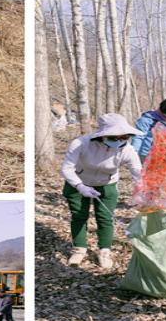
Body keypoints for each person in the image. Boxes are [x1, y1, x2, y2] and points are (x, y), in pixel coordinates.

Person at [61, 113, 144, 268]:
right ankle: (79, 249)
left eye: (124, 137)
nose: (119, 141)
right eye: (114, 138)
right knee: (79, 216)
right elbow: (67, 168)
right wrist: (79, 186)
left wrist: (142, 189)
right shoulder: (81, 143)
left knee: (105, 218)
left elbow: (137, 171)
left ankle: (104, 251)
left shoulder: (127, 150)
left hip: (107, 184)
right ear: (103, 135)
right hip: (78, 182)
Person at [131, 97, 166, 182]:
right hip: (149, 155)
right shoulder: (147, 120)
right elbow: (138, 138)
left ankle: (164, 196)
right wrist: (133, 155)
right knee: (150, 183)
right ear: (165, 109)